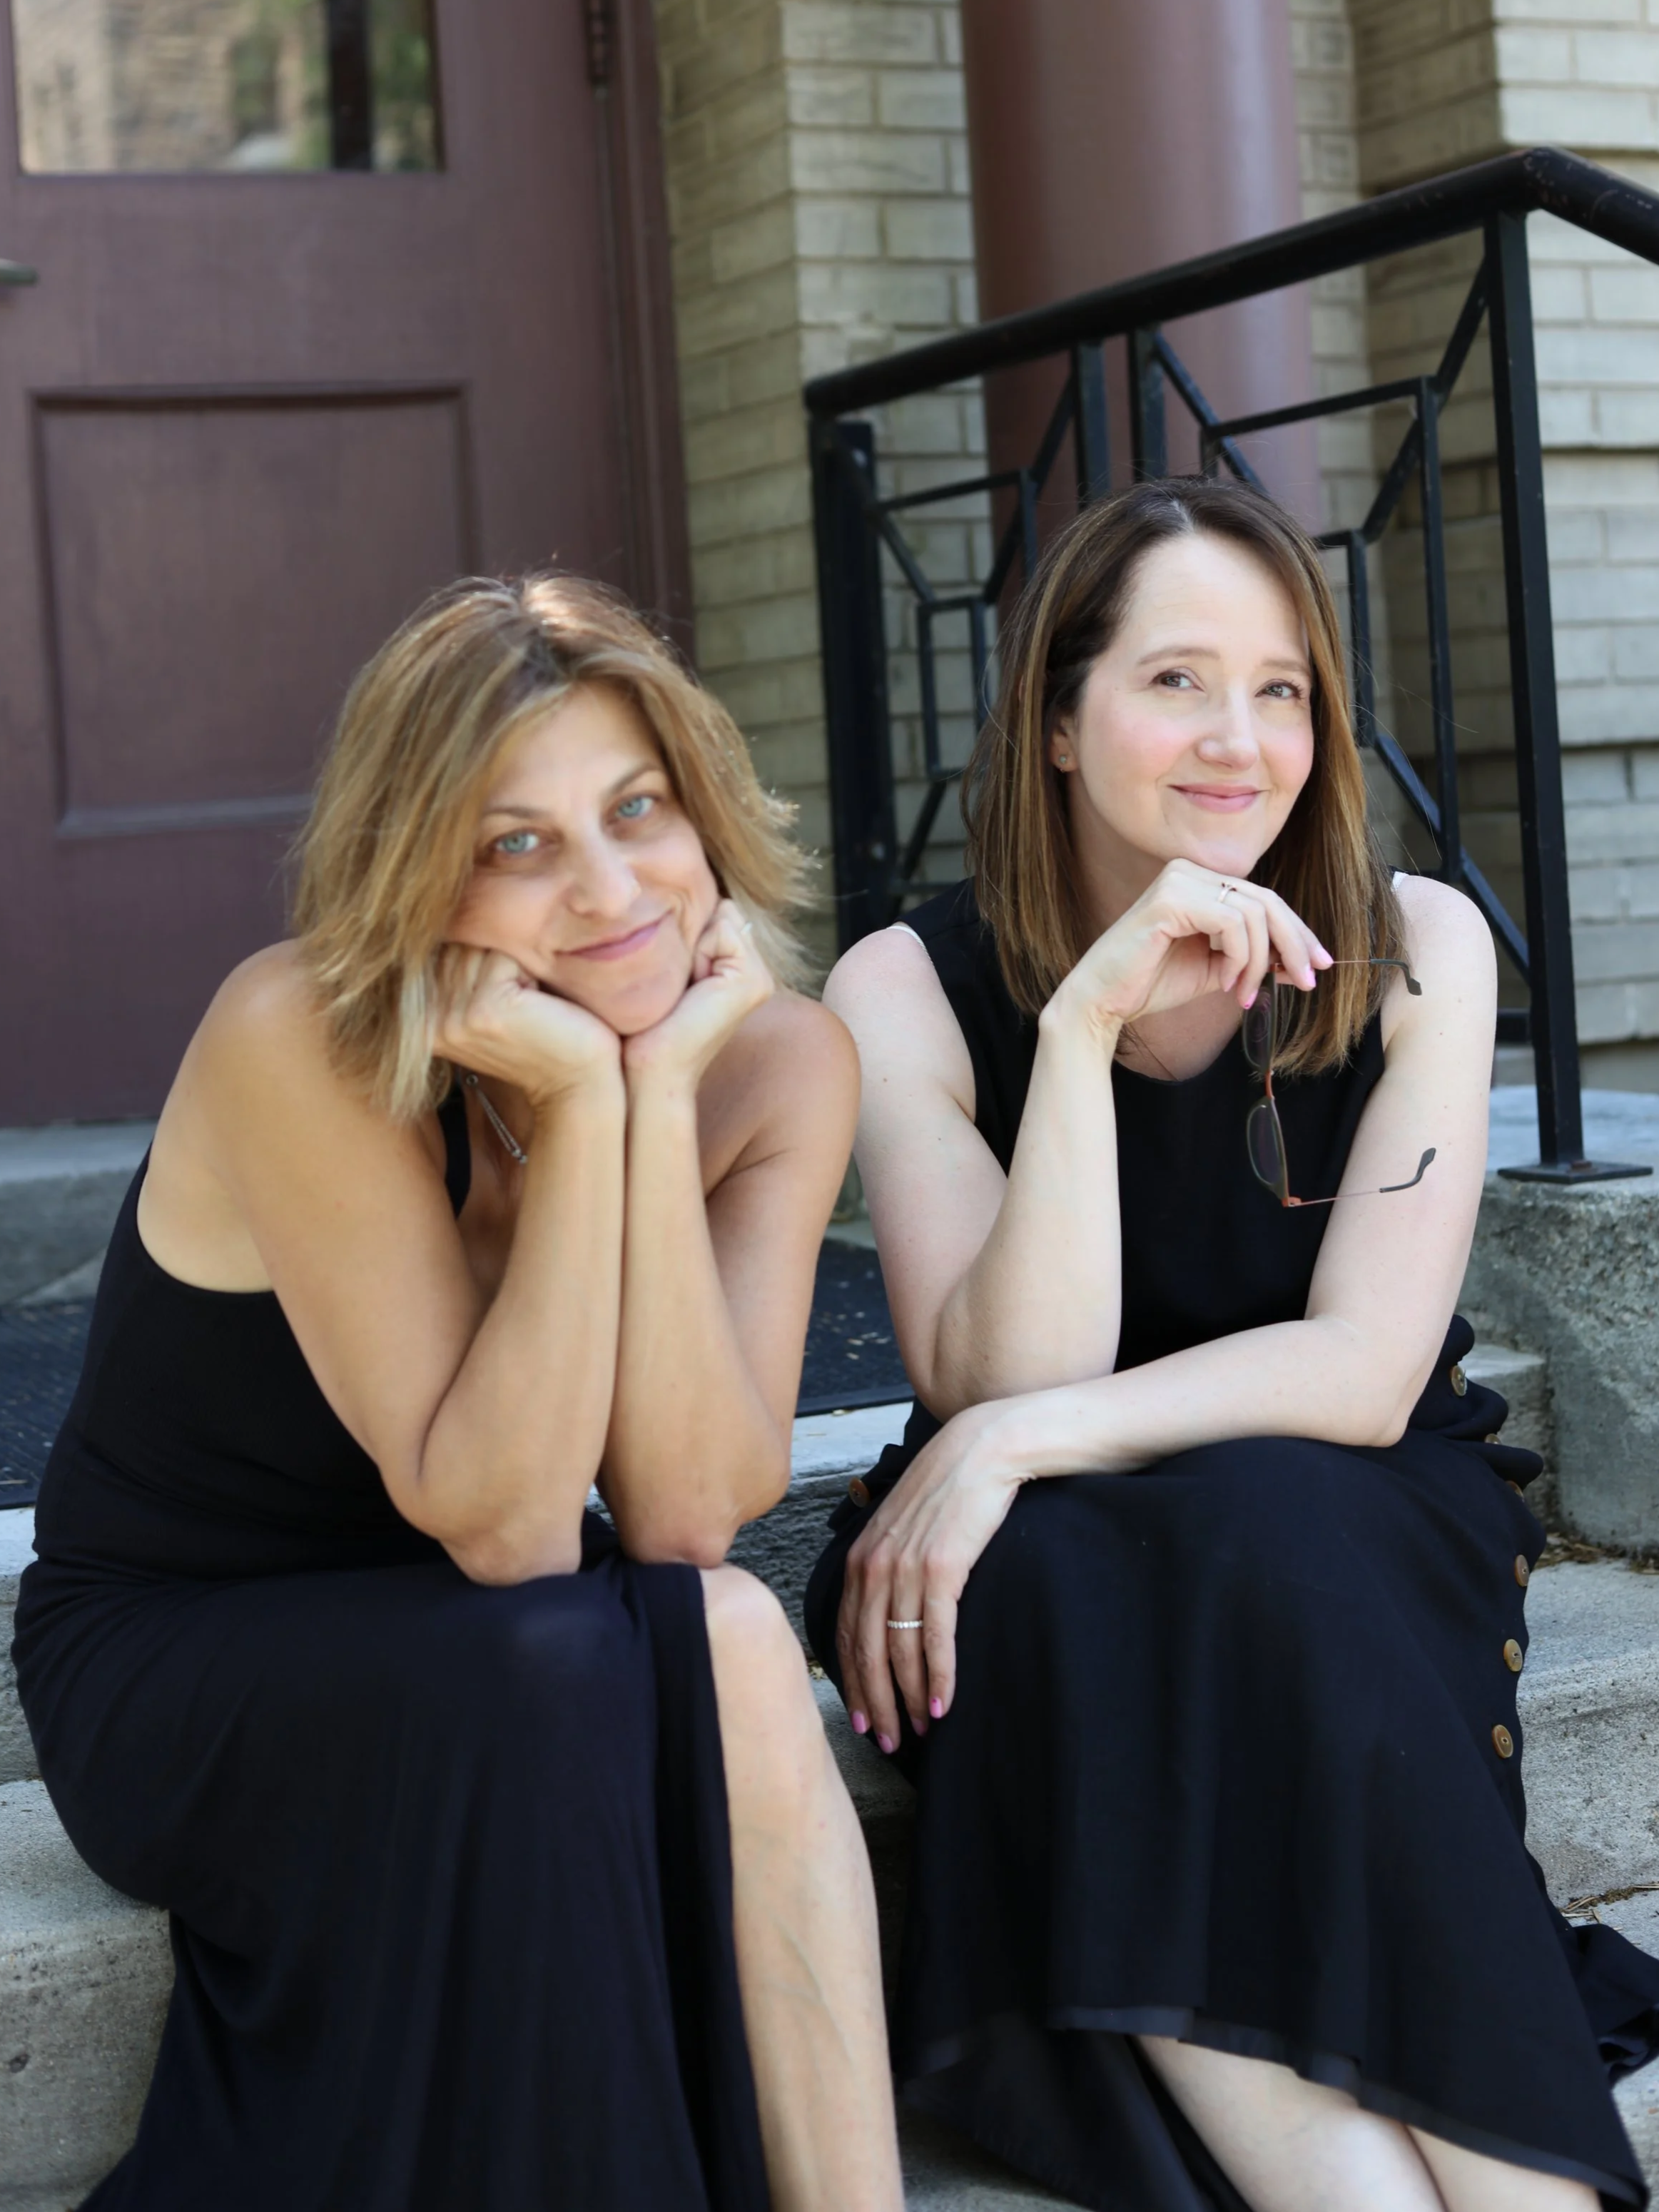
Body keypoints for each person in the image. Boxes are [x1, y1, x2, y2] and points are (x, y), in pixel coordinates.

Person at [806, 478, 1659, 2212]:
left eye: (1282, 689)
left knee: (1262, 1527)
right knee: (1063, 1577)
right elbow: (1007, 1370)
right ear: (1057, 717)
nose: (1240, 739)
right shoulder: (903, 985)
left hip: (1343, 1499)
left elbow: (1355, 1371)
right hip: (1049, 1544)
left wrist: (1003, 1446)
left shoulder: (1416, 941)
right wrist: (1081, 1027)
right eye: (1177, 680)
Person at [13, 574, 904, 2212]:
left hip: (504, 1644)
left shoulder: (778, 1062)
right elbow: (505, 1527)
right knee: (597, 1644)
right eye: (516, 845)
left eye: (639, 810)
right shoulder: (298, 1033)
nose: (607, 886)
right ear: (416, 874)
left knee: (715, 1621)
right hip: (186, 1652)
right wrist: (576, 1104)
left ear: (704, 811)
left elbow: (689, 1512)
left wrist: (648, 1093)